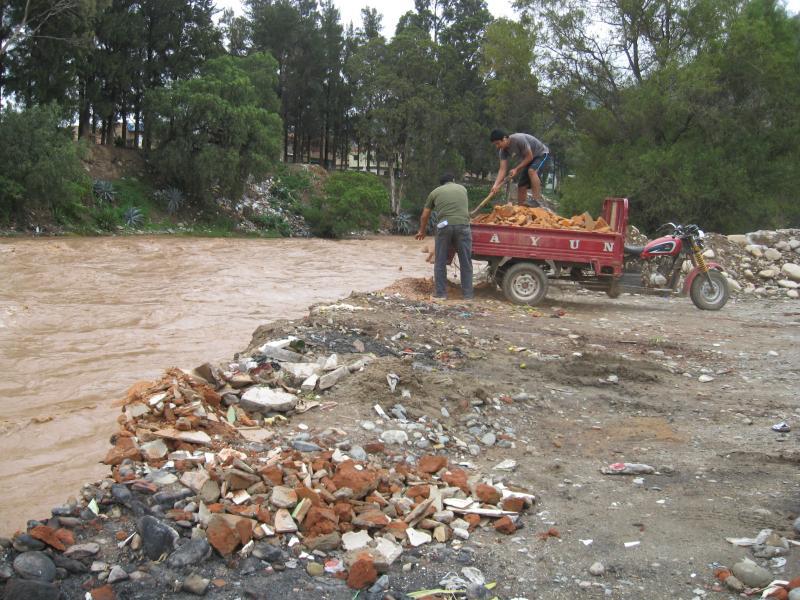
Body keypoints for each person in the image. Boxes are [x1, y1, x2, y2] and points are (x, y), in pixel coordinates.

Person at [415, 173, 473, 301]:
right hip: (463, 225)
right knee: (465, 261)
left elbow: (424, 215)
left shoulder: (435, 192)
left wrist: (422, 231)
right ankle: (468, 295)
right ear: (453, 180)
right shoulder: (463, 189)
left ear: (441, 184)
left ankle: (441, 294)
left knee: (440, 260)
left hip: (444, 226)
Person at [489, 129, 549, 206]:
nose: (497, 146)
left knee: (531, 171)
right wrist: (495, 185)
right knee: (521, 186)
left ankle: (536, 200)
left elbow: (530, 157)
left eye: (498, 143)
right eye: (495, 144)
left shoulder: (518, 139)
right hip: (528, 159)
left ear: (504, 138)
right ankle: (521, 208)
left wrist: (516, 169)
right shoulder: (502, 151)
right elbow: (502, 169)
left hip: (540, 154)